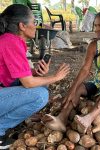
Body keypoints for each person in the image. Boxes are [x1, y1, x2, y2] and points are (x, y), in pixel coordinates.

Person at [42, 11, 100, 133]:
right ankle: (62, 118)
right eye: (95, 25)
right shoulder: (93, 45)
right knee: (79, 87)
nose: (96, 29)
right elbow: (85, 69)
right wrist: (72, 89)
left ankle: (89, 117)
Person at [0, 4, 70, 149]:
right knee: (40, 95)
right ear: (22, 26)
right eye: (34, 22)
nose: (36, 25)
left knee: (41, 85)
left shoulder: (12, 40)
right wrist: (56, 77)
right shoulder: (10, 42)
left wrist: (35, 73)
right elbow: (28, 84)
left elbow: (19, 75)